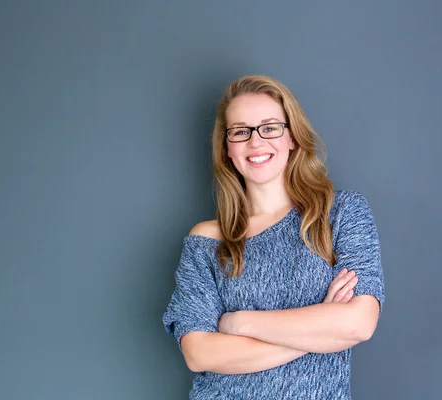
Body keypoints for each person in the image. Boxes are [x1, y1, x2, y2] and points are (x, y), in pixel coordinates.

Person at [162, 75, 385, 399]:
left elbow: (358, 324)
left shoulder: (341, 213)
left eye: (269, 127)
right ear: (226, 148)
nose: (255, 142)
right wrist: (319, 329)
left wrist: (239, 323)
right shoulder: (206, 241)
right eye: (241, 131)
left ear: (292, 136)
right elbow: (199, 354)